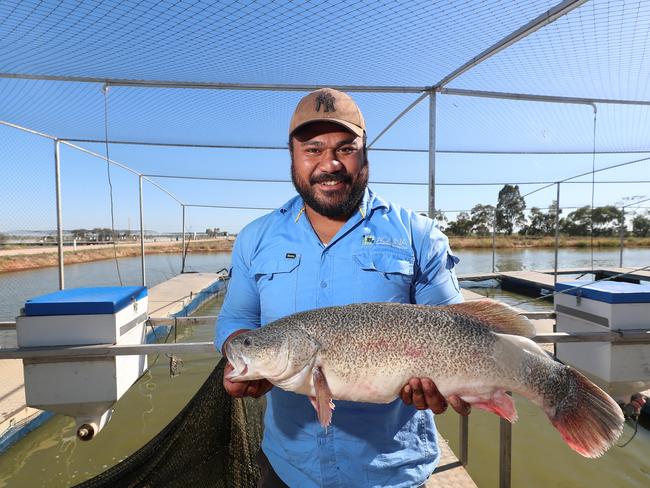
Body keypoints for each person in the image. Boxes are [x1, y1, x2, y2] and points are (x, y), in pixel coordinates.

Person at [216, 88, 470, 488]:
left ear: (365, 153)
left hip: (393, 473)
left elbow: (456, 329)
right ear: (292, 155)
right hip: (288, 468)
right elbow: (238, 318)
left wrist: (444, 384)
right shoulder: (255, 238)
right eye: (313, 149)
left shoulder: (417, 234)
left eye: (345, 149)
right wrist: (243, 350)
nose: (329, 164)